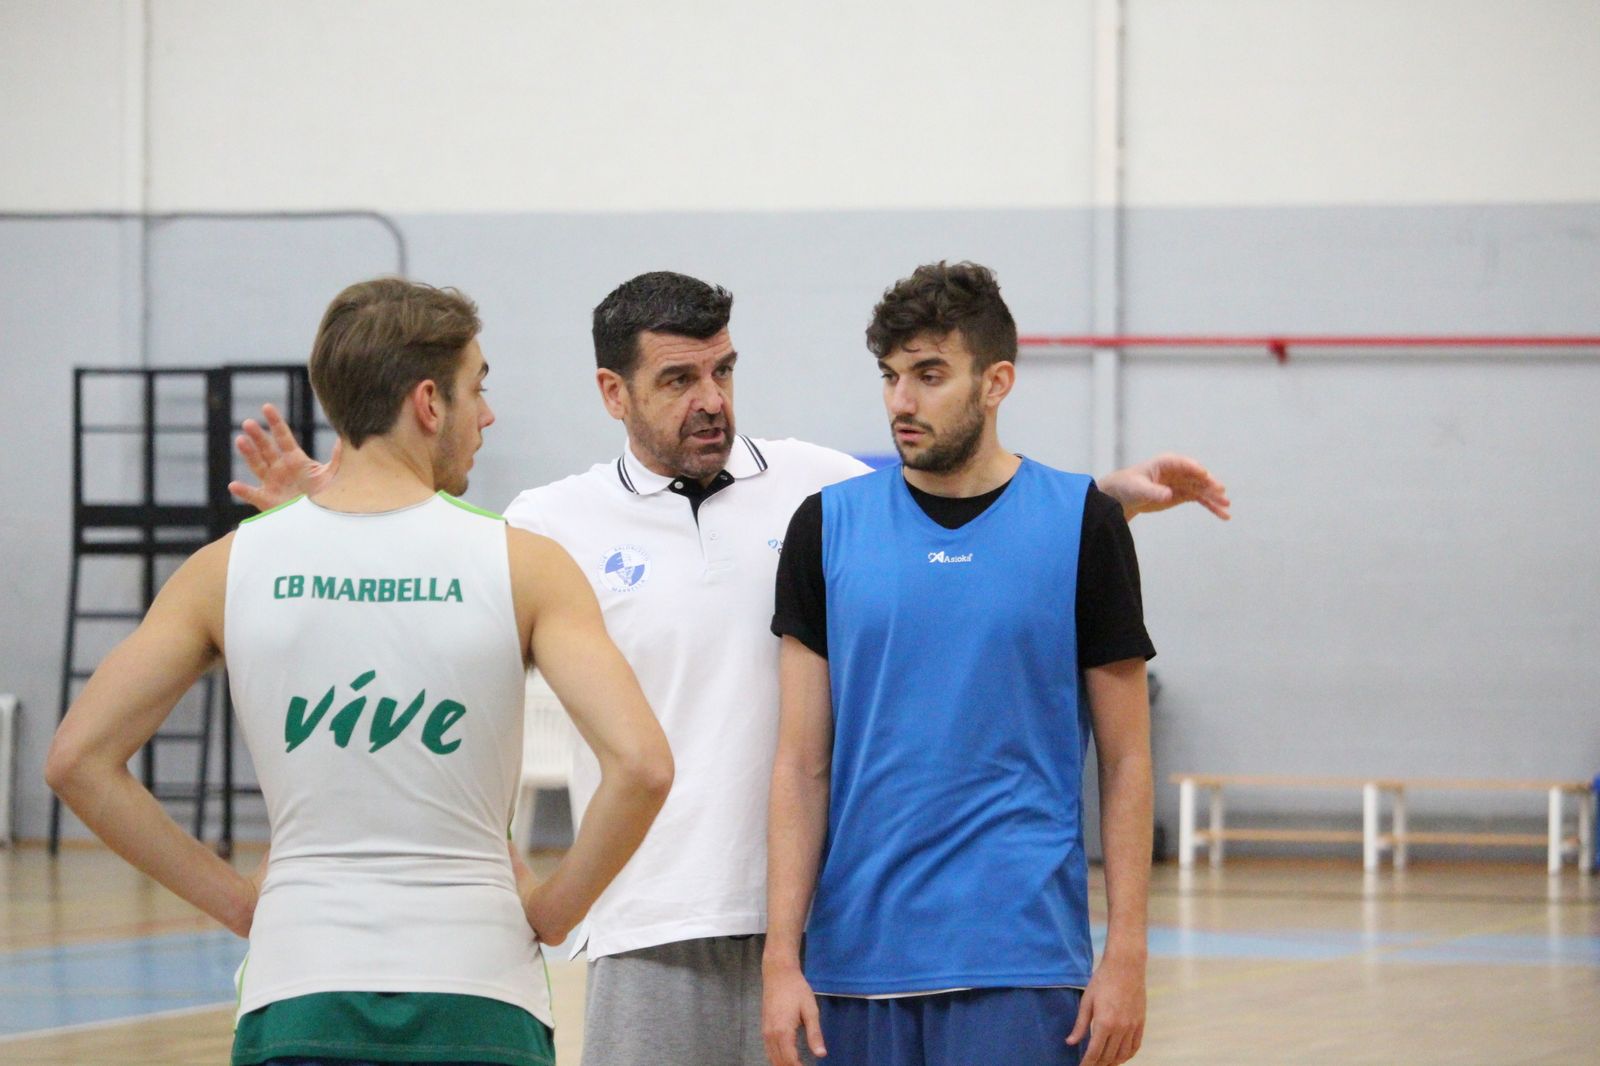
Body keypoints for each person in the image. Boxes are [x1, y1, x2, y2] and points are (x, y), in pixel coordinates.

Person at [231, 270, 1226, 1066]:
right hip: (648, 922)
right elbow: (435, 587)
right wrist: (334, 509)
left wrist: (1108, 498)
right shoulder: (548, 523)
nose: (711, 401)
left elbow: (966, 510)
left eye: (723, 372)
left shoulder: (815, 485)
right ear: (613, 393)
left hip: (823, 927)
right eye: (678, 380)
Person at [47, 277, 673, 1066]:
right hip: (480, 996)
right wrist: (554, 912)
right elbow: (643, 766)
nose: (487, 415)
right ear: (428, 403)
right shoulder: (526, 566)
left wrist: (239, 903)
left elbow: (77, 761)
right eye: (477, 388)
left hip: (297, 987)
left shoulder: (228, 568)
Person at [763, 261, 1156, 1066]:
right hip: (854, 961)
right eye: (891, 376)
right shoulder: (825, 528)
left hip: (1023, 960)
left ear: (996, 382)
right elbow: (801, 764)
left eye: (930, 375)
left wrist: (1126, 955)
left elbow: (1127, 762)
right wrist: (779, 961)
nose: (901, 401)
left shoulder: (1084, 523)